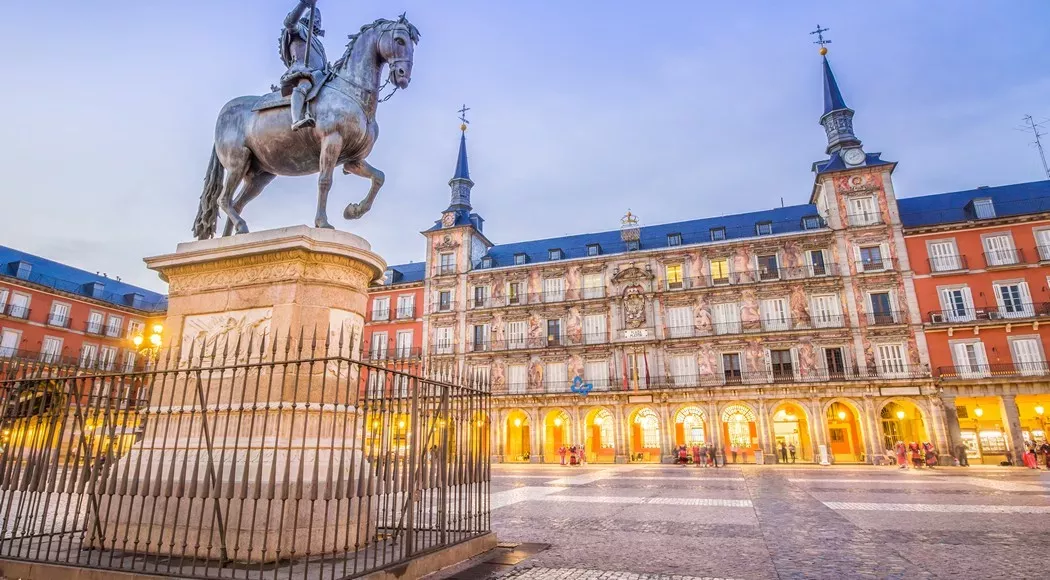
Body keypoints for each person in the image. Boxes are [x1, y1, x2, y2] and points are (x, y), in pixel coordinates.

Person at [279, 0, 328, 131]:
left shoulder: (317, 41)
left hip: (320, 75)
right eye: (315, 18)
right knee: (304, 84)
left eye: (319, 19)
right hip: (303, 70)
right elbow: (289, 23)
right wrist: (304, 4)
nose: (317, 21)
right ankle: (295, 120)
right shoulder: (300, 29)